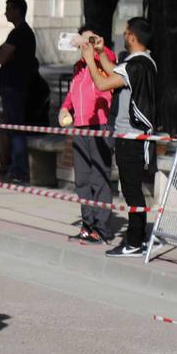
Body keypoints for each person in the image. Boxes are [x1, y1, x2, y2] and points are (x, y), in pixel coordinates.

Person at [84, 17, 158, 258]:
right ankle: (139, 237)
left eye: (126, 32)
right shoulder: (145, 62)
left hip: (131, 137)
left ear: (132, 37)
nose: (124, 35)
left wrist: (90, 62)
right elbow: (116, 73)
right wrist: (99, 53)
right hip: (135, 136)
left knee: (131, 191)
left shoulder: (135, 66)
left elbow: (104, 83)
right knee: (133, 189)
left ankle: (135, 241)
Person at [59, 30, 116, 244]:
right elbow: (72, 95)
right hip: (80, 127)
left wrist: (91, 43)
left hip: (100, 124)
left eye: (89, 39)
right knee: (82, 179)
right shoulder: (78, 67)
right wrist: (64, 110)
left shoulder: (104, 59)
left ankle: (101, 228)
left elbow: (109, 58)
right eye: (83, 39)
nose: (84, 43)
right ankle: (87, 224)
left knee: (99, 177)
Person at [0, 0, 41, 182]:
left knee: (16, 129)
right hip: (12, 87)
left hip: (15, 87)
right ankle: (10, 166)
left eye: (9, 8)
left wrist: (2, 51)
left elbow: (1, 56)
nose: (6, 12)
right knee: (9, 128)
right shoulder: (19, 33)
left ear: (17, 11)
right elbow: (1, 54)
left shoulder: (20, 33)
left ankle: (18, 169)